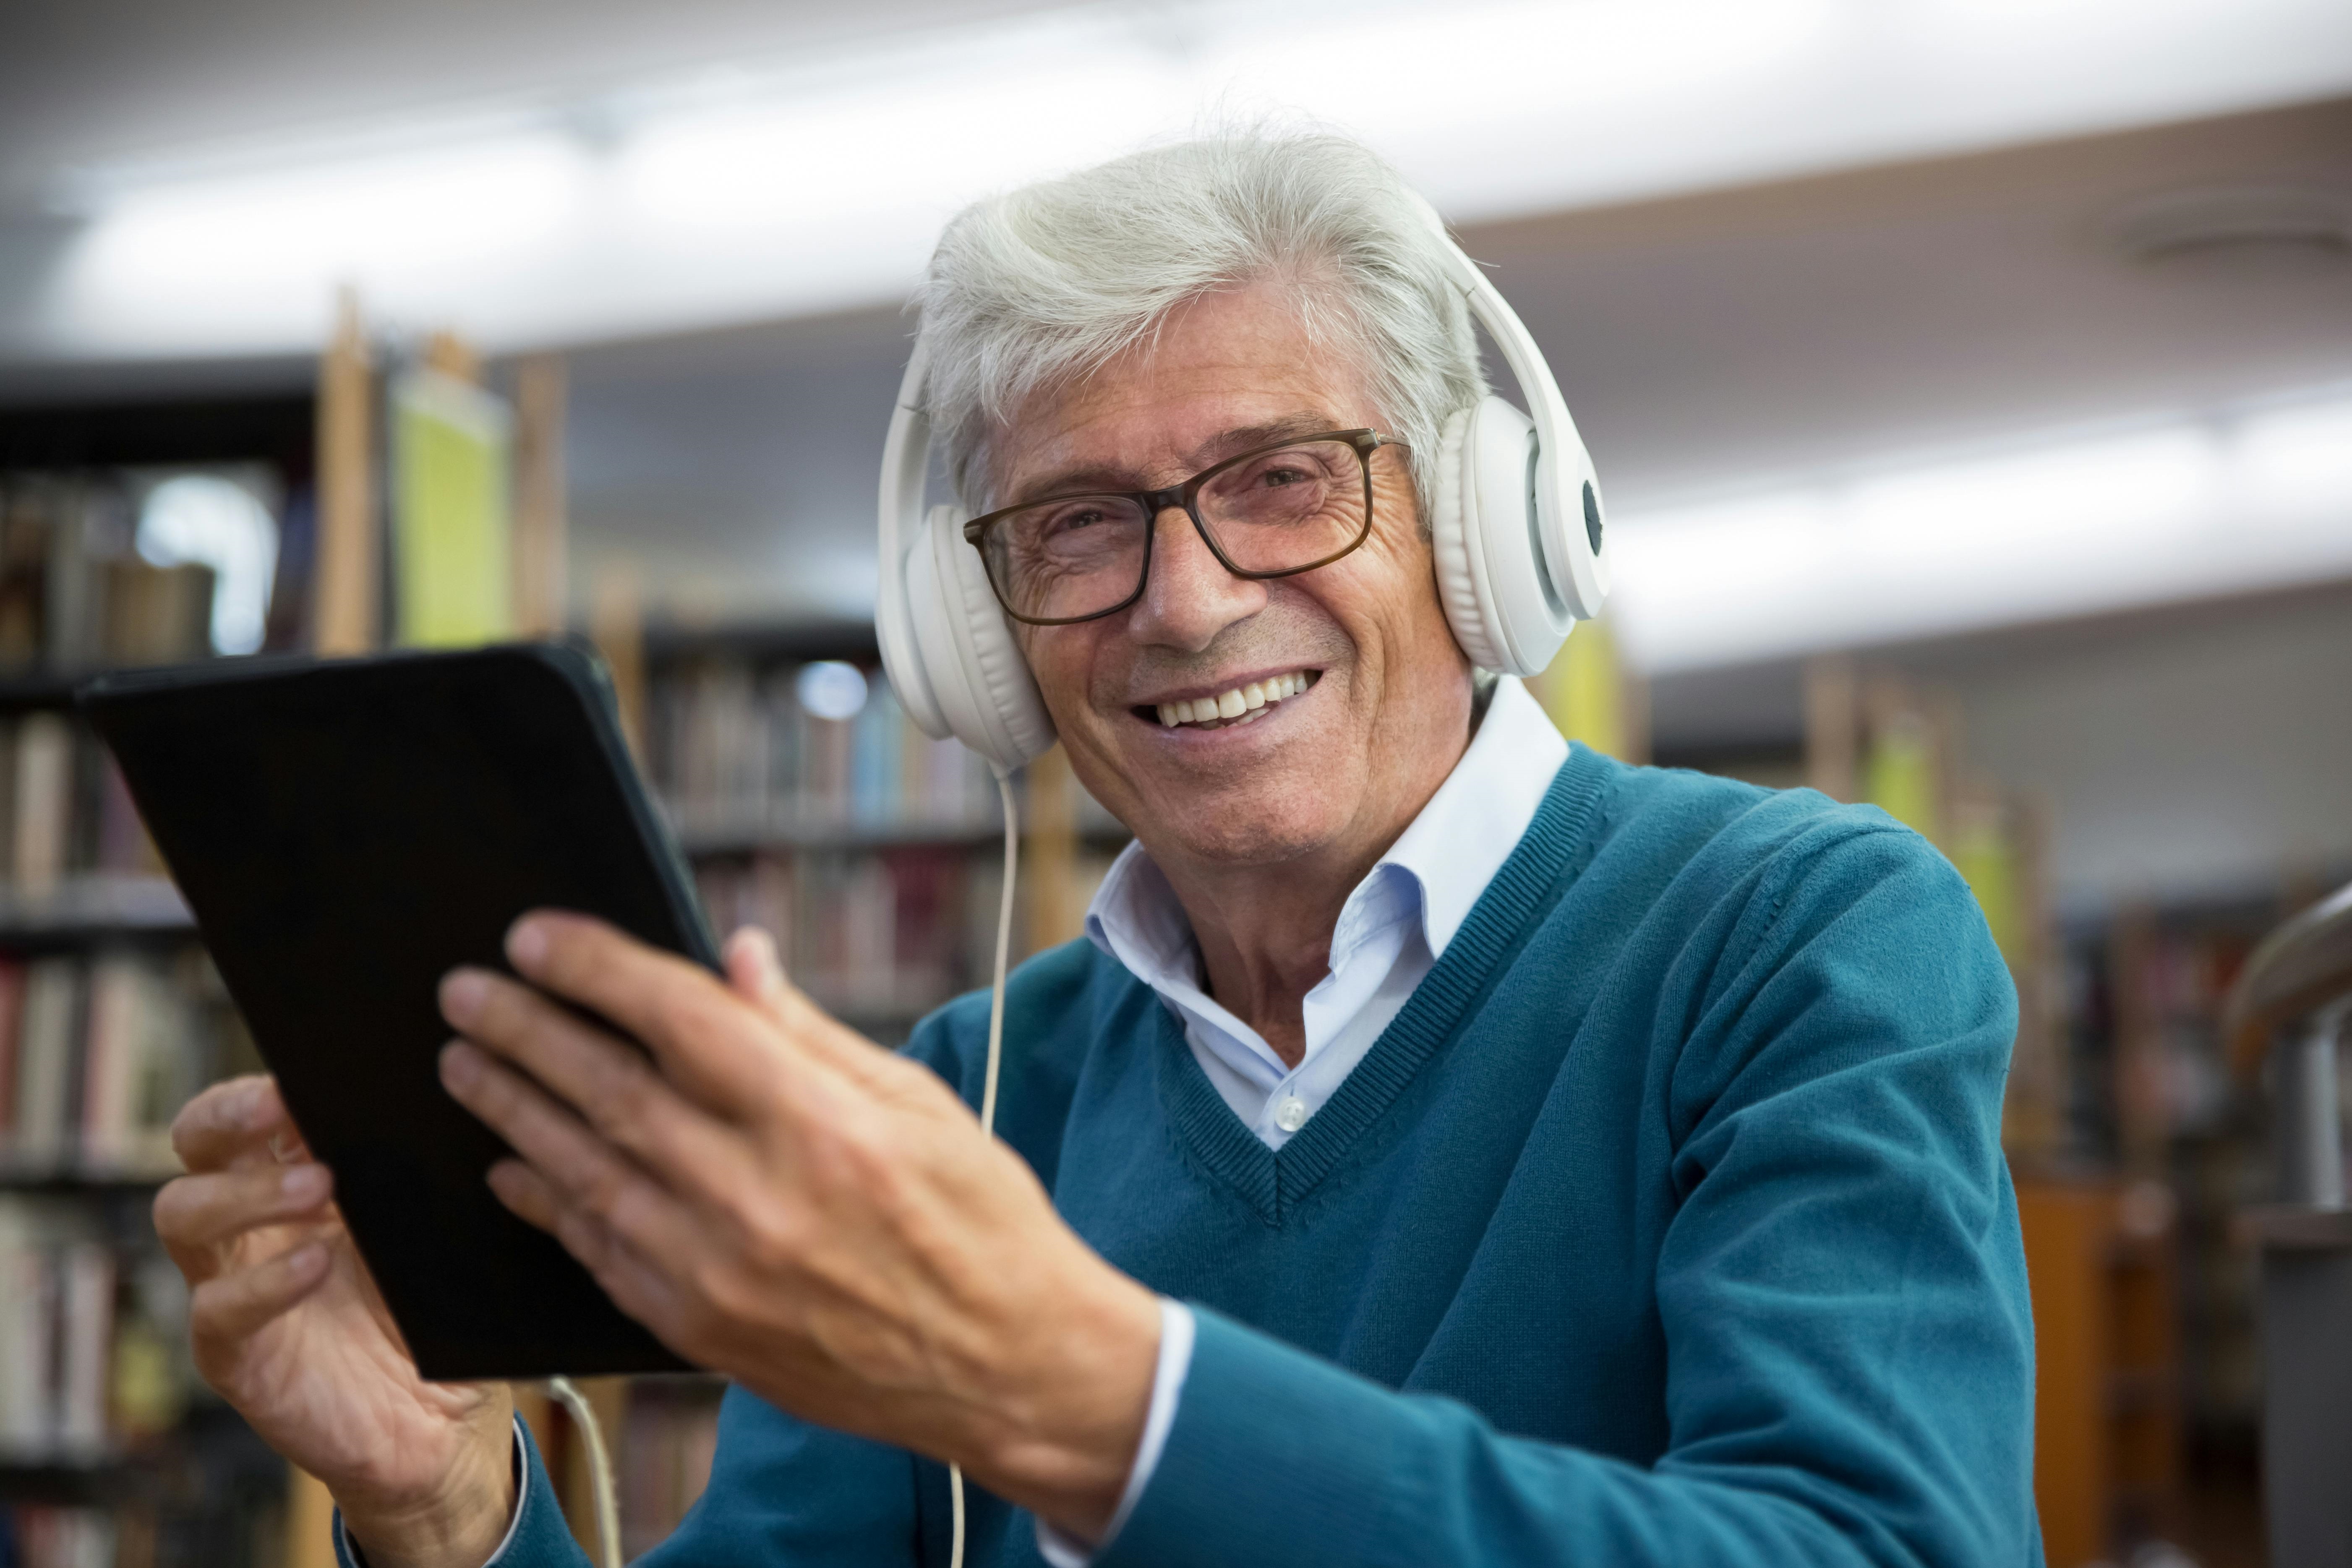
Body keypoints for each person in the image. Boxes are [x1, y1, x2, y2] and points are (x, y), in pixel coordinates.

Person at [154, 133, 2039, 1568]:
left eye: (1282, 480)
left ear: (1479, 519)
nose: (1186, 602)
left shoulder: (1802, 937)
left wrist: (1082, 1387)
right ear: (977, 634)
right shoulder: (969, 1092)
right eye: (1074, 527)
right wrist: (450, 1498)